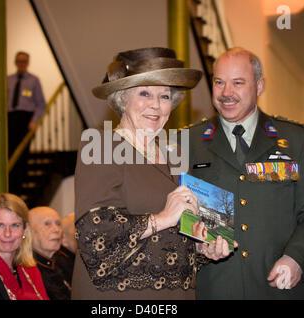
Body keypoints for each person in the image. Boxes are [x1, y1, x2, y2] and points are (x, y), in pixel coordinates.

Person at [73, 47, 235, 300]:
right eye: (145, 93)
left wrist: (204, 248)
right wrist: (162, 218)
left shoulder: (175, 153)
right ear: (122, 98)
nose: (156, 106)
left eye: (165, 96)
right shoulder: (101, 146)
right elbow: (94, 237)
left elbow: (177, 239)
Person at [187, 47, 304, 299]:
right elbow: (176, 211)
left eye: (238, 83)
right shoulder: (188, 142)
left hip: (279, 289)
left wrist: (296, 258)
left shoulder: (296, 140)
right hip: (216, 289)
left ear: (260, 85)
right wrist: (196, 242)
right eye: (219, 82)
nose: (226, 93)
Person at [0, 193, 49, 300]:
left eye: (15, 225)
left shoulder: (30, 269)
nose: (7, 233)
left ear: (25, 229)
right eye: (0, 225)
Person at [7, 52, 46, 194]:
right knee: (9, 152)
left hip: (25, 119)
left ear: (28, 63)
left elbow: (41, 104)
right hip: (10, 118)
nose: (21, 64)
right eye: (19, 61)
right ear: (15, 62)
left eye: (24, 61)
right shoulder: (8, 80)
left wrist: (34, 121)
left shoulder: (34, 81)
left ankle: (20, 187)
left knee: (22, 154)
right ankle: (9, 186)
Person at [29, 206, 74, 300]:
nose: (56, 229)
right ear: (28, 231)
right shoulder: (25, 270)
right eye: (47, 224)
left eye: (58, 224)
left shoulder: (64, 263)